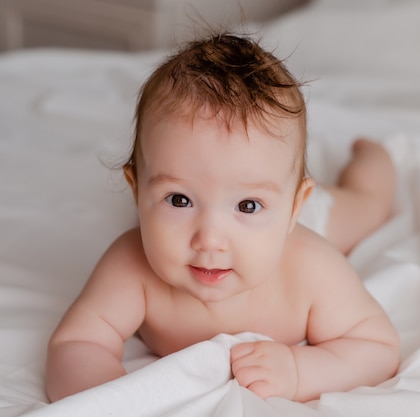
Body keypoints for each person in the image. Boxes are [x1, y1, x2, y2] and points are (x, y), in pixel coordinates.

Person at [45, 32, 400, 403]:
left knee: (367, 205)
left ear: (295, 207)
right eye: (179, 200)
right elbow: (78, 341)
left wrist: (299, 370)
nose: (210, 239)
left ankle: (373, 158)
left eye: (248, 206)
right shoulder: (131, 266)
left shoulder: (312, 269)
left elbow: (376, 346)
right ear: (136, 191)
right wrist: (111, 399)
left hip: (317, 221)